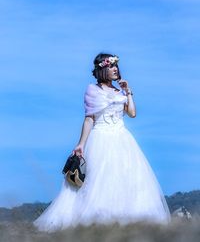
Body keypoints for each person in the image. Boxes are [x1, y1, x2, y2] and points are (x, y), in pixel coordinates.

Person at [34, 53, 171, 232]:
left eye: (116, 67)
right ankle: (95, 224)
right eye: (111, 67)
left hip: (123, 139)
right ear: (102, 69)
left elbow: (132, 113)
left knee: (127, 179)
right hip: (100, 138)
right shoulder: (93, 90)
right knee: (97, 182)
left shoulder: (119, 91)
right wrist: (81, 144)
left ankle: (128, 225)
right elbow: (89, 119)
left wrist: (128, 91)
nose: (115, 70)